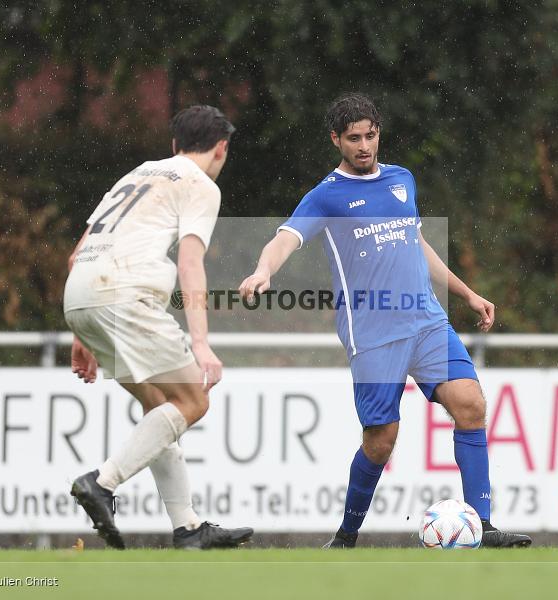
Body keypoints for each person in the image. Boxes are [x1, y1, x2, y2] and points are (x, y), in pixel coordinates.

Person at [238, 93, 531, 548]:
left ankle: (484, 526)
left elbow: (417, 243)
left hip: (426, 322)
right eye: (353, 138)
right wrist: (263, 271)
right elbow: (285, 239)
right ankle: (346, 536)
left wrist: (468, 294)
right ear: (336, 140)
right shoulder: (326, 196)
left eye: (370, 135)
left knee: (471, 404)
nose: (363, 146)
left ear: (379, 134)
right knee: (381, 440)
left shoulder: (401, 180)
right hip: (373, 334)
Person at [63, 105, 253, 550]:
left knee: (160, 408)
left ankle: (187, 527)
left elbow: (76, 256)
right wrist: (200, 343)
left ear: (174, 145)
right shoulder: (200, 184)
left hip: (81, 297)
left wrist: (82, 332)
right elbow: (190, 263)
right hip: (124, 296)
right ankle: (102, 482)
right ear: (221, 148)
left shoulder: (137, 174)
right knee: (192, 400)